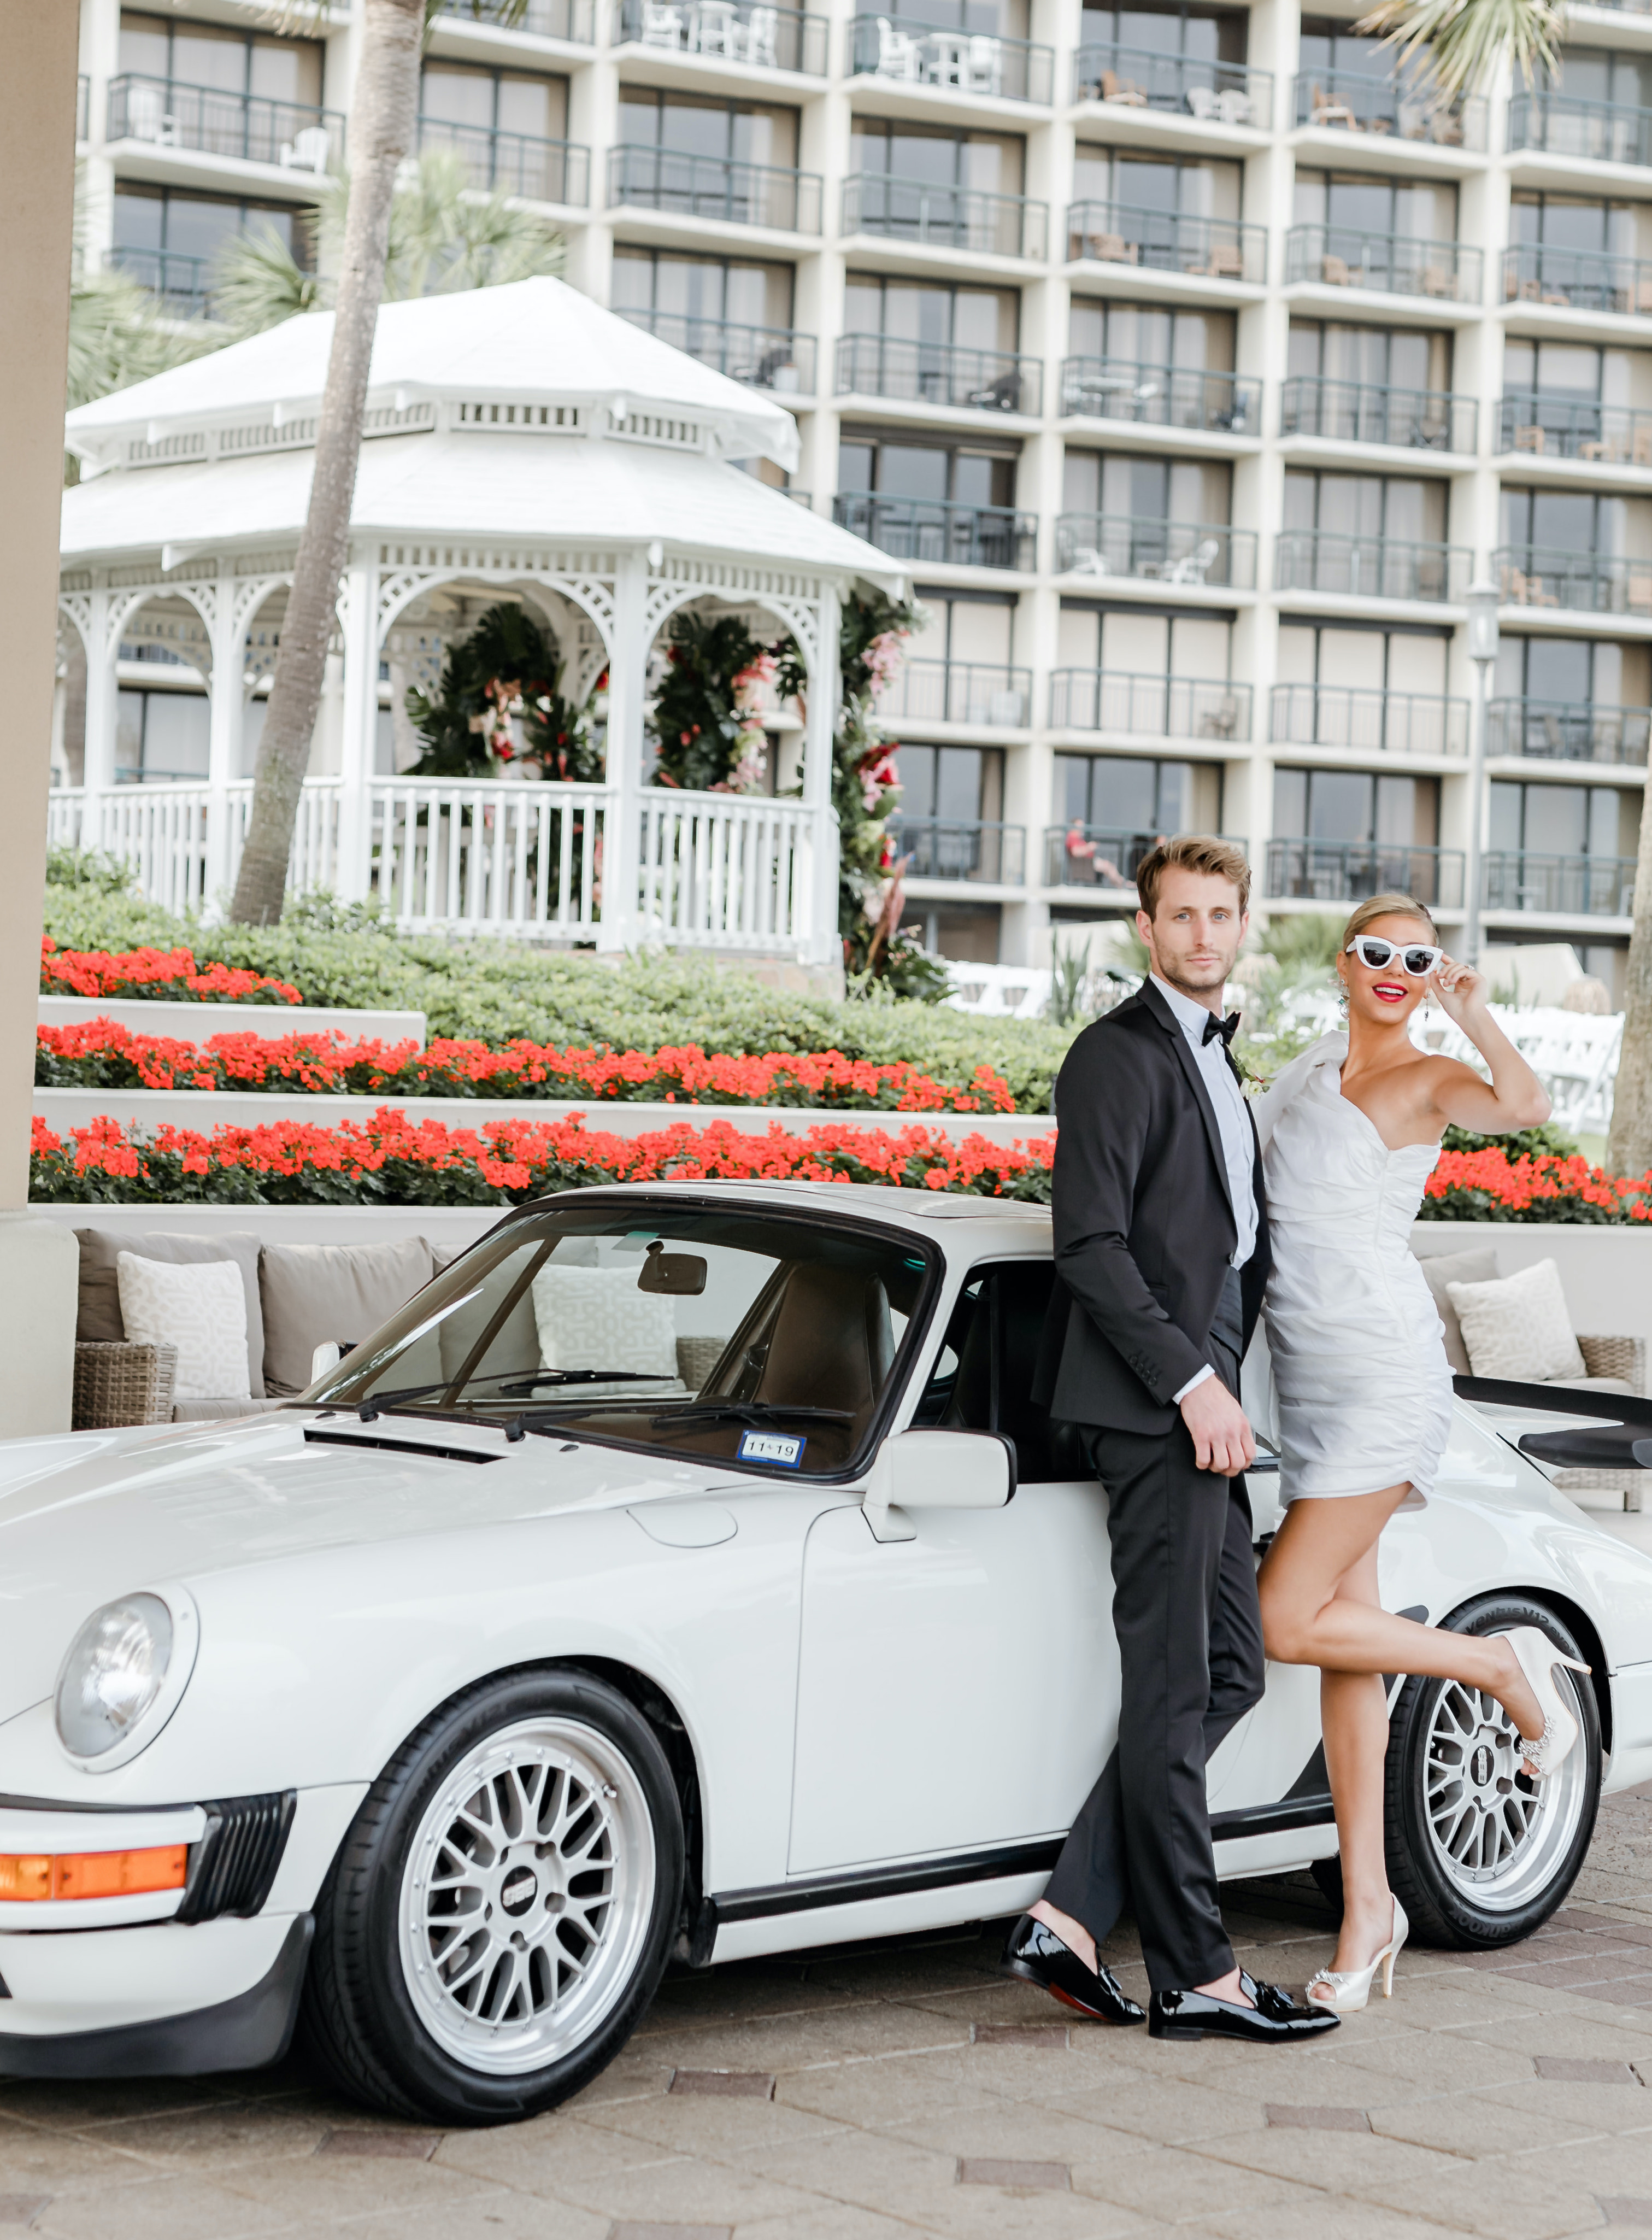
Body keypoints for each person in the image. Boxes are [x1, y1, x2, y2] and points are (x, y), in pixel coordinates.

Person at [1002, 836, 1339, 2045]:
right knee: (1177, 1680)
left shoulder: (1220, 1069)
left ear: (1244, 924)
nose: (1203, 934)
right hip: (1156, 1414)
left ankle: (1075, 1912)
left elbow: (1231, 1250)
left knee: (1233, 1670)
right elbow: (1088, 1245)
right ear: (1147, 929)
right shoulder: (1114, 1057)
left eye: (1221, 914)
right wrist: (1197, 1385)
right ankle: (1198, 1971)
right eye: (1181, 915)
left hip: (1209, 1420)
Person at [1254, 893, 1589, 2014]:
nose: (1398, 969)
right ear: (1344, 961)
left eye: (1420, 957)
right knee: (1349, 1653)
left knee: (1283, 1618)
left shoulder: (1432, 1074)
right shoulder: (1305, 1071)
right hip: (1307, 1380)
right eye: (1380, 952)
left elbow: (1528, 1104)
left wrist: (1470, 1011)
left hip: (1385, 1375)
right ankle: (1369, 1910)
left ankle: (1501, 1667)